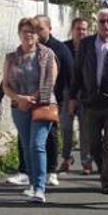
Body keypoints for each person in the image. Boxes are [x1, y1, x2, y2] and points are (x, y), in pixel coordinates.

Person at [0, 17, 59, 203]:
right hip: (19, 107)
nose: (28, 35)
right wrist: (19, 98)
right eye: (25, 31)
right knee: (26, 147)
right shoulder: (11, 58)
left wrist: (32, 98)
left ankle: (40, 189)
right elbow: (6, 85)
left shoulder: (47, 54)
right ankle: (33, 184)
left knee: (37, 145)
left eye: (32, 32)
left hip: (43, 105)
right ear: (19, 34)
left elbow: (51, 81)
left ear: (37, 35)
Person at [69, 8, 108, 194]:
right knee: (93, 145)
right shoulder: (86, 44)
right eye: (102, 22)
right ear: (97, 24)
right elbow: (77, 71)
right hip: (90, 102)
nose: (106, 25)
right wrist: (73, 97)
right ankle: (104, 169)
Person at [33, 14, 73, 187]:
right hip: (30, 100)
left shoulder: (60, 48)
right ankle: (26, 171)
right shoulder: (28, 49)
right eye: (34, 29)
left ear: (49, 28)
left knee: (50, 135)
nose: (37, 33)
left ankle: (51, 170)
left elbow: (71, 75)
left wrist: (72, 98)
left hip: (53, 100)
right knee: (28, 138)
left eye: (40, 29)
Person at [59, 17, 91, 173]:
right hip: (67, 93)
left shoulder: (91, 47)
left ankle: (86, 161)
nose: (81, 32)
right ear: (72, 30)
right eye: (78, 29)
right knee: (65, 127)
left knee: (86, 129)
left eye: (84, 29)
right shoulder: (64, 48)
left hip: (86, 94)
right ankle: (66, 158)